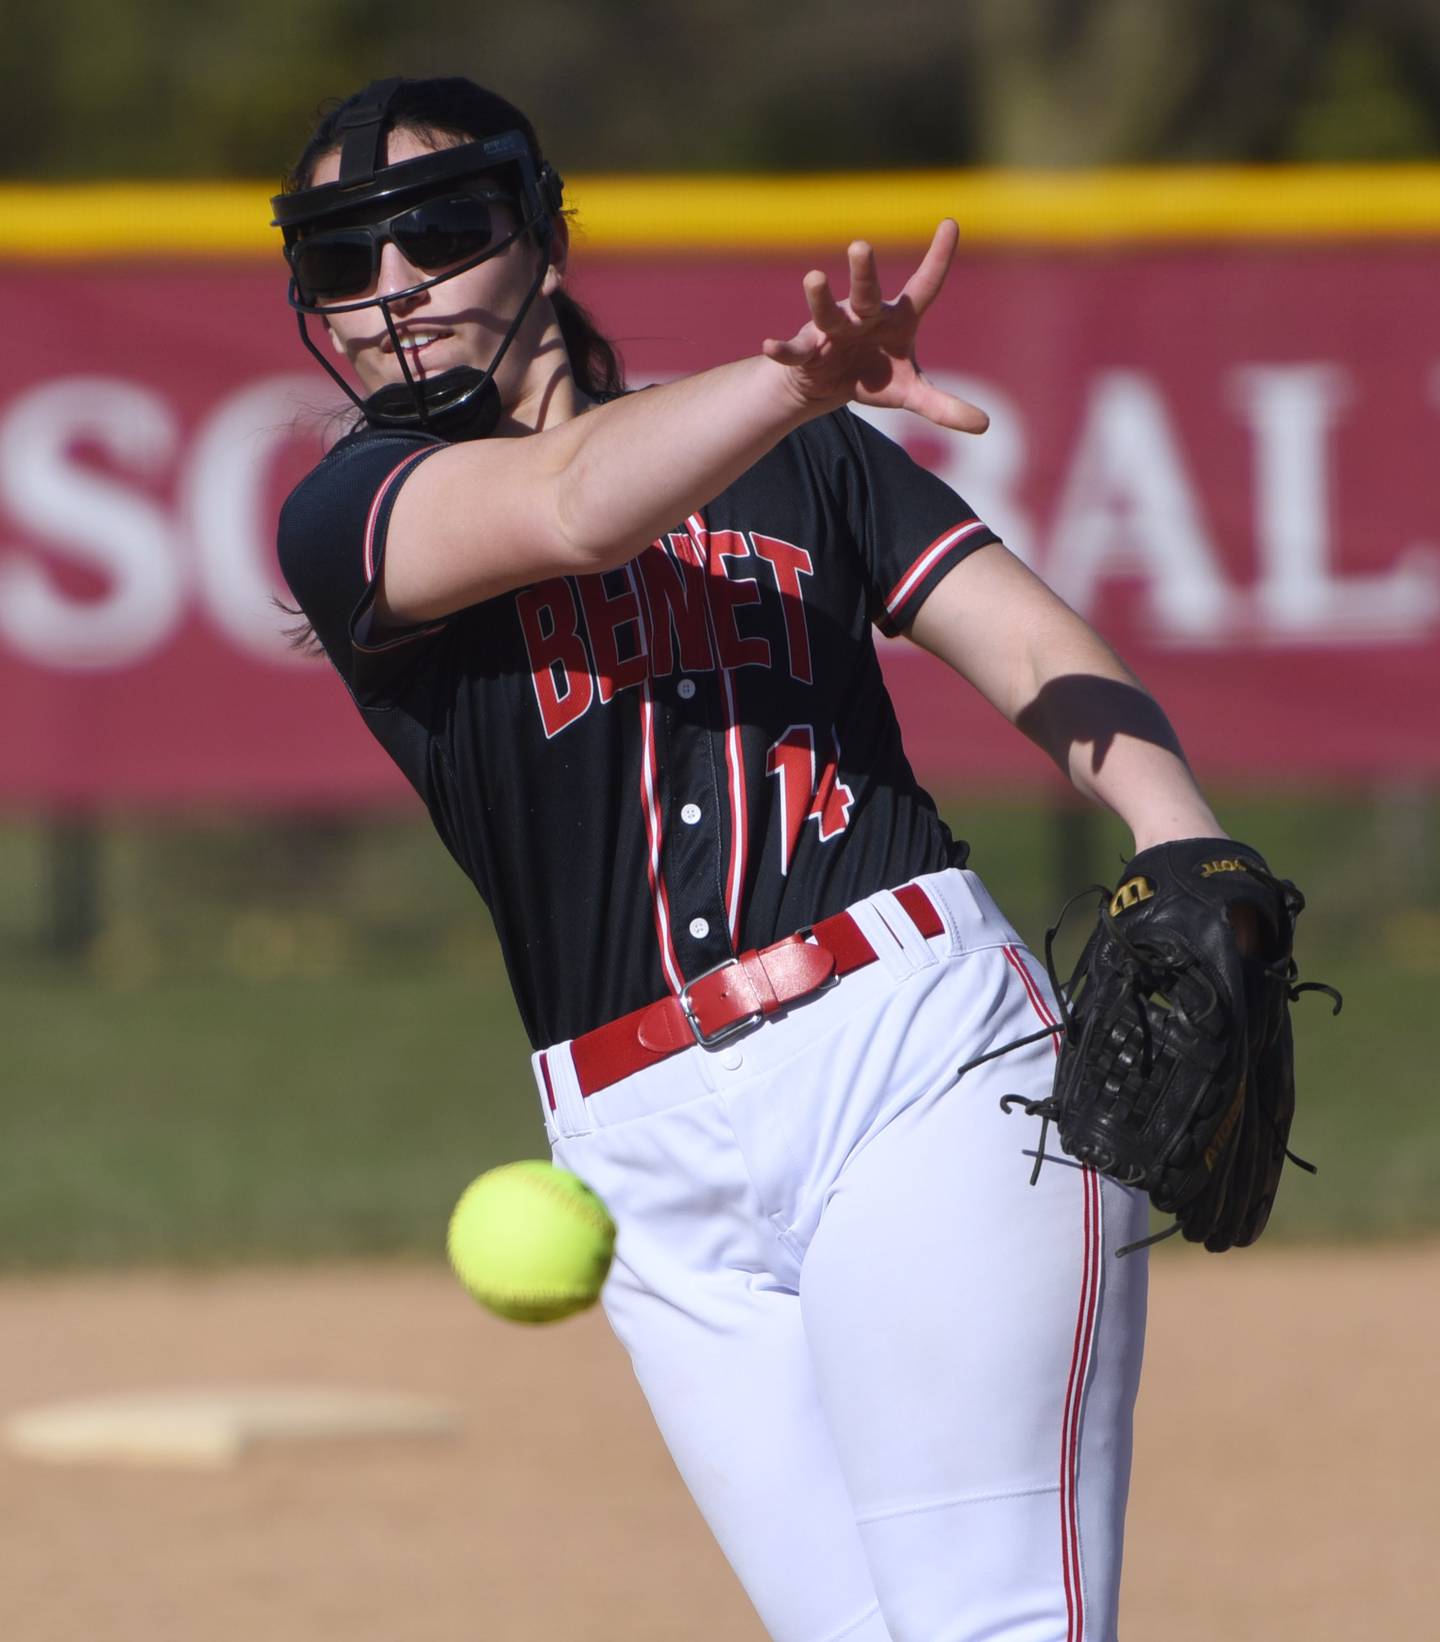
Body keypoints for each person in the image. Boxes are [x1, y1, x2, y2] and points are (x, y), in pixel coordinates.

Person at [272, 75, 1234, 1642]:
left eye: (440, 233)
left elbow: (1018, 632)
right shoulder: (352, 512)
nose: (394, 292)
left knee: (994, 1622)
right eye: (341, 260)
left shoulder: (811, 461)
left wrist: (1181, 834)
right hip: (646, 1165)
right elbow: (578, 509)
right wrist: (789, 387)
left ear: (543, 236)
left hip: (913, 1058)